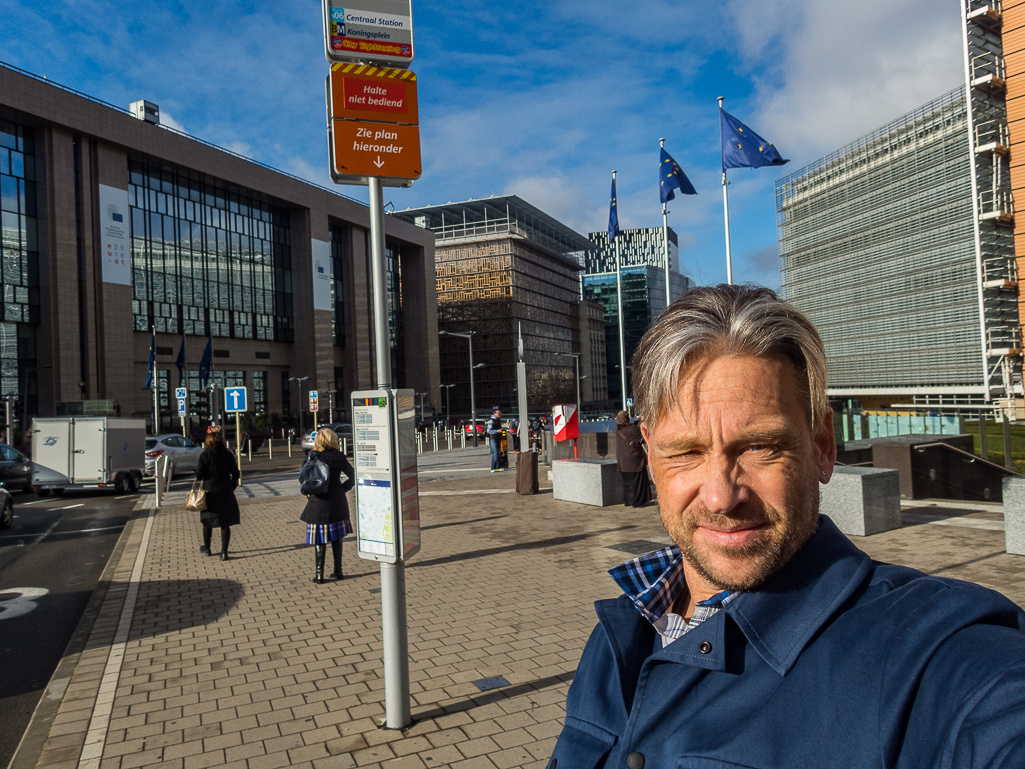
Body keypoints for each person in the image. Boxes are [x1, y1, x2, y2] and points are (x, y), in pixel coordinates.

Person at [548, 285, 1025, 768]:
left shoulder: (925, 654)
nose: (720, 495)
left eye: (760, 447)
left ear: (822, 446)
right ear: (650, 453)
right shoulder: (620, 633)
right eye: (686, 452)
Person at [300, 427, 355, 584]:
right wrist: (342, 489)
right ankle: (338, 571)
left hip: (318, 502)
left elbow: (303, 478)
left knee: (320, 540)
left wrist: (309, 493)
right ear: (333, 439)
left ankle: (319, 575)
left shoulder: (312, 457)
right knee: (337, 538)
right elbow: (353, 476)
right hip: (337, 501)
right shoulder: (339, 457)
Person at [193, 430, 240, 561]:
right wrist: (231, 487)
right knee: (225, 523)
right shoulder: (228, 455)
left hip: (209, 493)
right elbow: (236, 474)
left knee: (207, 521)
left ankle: (207, 548)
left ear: (207, 442)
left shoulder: (205, 456)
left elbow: (199, 475)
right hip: (225, 492)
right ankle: (224, 553)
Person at [615, 411, 651, 507]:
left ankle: (629, 501)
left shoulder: (618, 429)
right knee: (637, 483)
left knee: (628, 484)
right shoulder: (632, 429)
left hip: (622, 463)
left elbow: (630, 429)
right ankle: (637, 502)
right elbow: (643, 437)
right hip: (634, 461)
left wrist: (637, 421)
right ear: (627, 418)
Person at [487, 407, 504, 473]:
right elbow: (489, 431)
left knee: (498, 453)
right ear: (494, 414)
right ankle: (493, 467)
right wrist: (497, 431)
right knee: (495, 453)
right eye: (498, 413)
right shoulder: (491, 421)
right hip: (493, 438)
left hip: (497, 437)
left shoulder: (498, 420)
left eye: (500, 413)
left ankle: (497, 467)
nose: (500, 414)